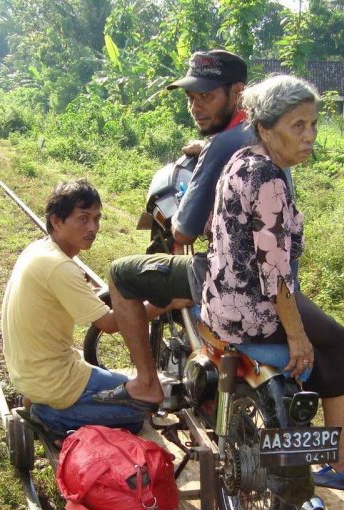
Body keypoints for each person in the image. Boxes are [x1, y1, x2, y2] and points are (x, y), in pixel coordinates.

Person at [200, 75, 344, 491]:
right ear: (265, 128)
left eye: (313, 124)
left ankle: (318, 444)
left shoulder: (241, 159)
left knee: (322, 330)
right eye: (298, 126)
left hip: (221, 300)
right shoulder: (270, 180)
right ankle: (335, 456)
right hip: (253, 311)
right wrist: (297, 338)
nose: (310, 136)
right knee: (340, 342)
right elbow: (275, 276)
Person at [94, 50, 253, 411]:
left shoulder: (221, 145)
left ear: (238, 93)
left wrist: (206, 154)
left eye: (207, 96)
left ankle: (147, 383)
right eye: (191, 98)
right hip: (270, 276)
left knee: (122, 274)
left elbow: (182, 233)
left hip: (226, 275)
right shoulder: (265, 133)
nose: (196, 107)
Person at [0, 180, 148, 440]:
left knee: (129, 390)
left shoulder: (40, 249)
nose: (93, 228)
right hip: (53, 380)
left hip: (34, 373)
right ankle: (48, 416)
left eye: (96, 219)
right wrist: (165, 304)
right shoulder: (59, 267)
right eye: (83, 219)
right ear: (56, 221)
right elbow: (111, 324)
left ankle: (44, 403)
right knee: (138, 411)